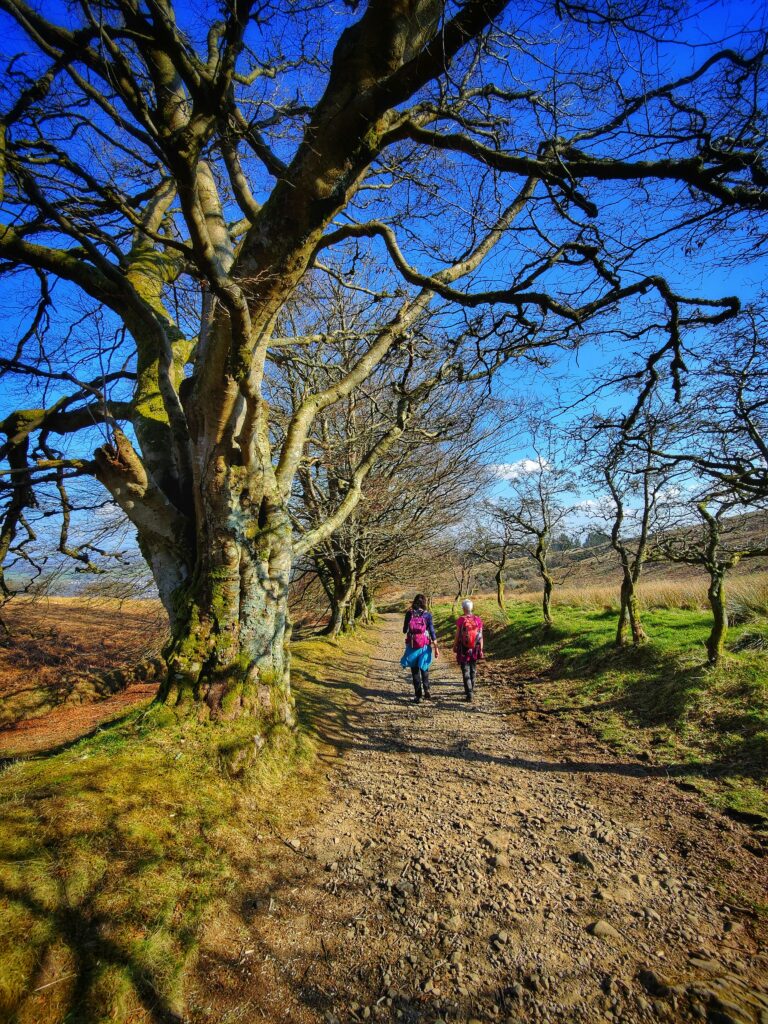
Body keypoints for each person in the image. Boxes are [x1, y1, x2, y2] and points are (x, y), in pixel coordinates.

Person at [400, 593, 438, 703]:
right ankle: (427, 689)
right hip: (424, 645)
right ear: (424, 603)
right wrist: (436, 646)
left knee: (415, 670)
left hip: (412, 646)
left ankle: (418, 696)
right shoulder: (427, 615)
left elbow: (404, 630)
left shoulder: (409, 613)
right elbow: (432, 631)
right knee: (424, 667)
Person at [453, 599, 484, 702]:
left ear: (463, 608)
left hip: (463, 648)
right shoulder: (478, 619)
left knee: (465, 669)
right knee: (473, 668)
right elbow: (480, 636)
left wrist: (455, 645)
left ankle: (469, 692)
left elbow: (457, 635)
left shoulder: (461, 620)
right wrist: (481, 649)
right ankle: (472, 689)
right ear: (472, 608)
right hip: (475, 648)